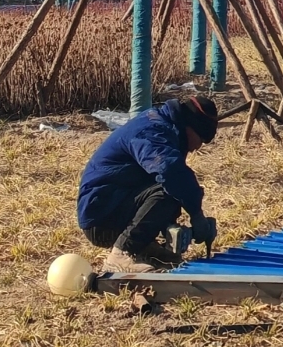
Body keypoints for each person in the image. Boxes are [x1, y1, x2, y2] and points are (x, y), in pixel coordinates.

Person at [78, 95, 221, 272]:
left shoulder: (164, 126)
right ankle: (121, 254)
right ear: (191, 127)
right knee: (170, 191)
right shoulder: (151, 132)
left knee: (173, 190)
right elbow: (171, 172)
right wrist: (196, 214)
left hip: (115, 203)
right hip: (101, 216)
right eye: (201, 139)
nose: (198, 147)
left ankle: (144, 246)